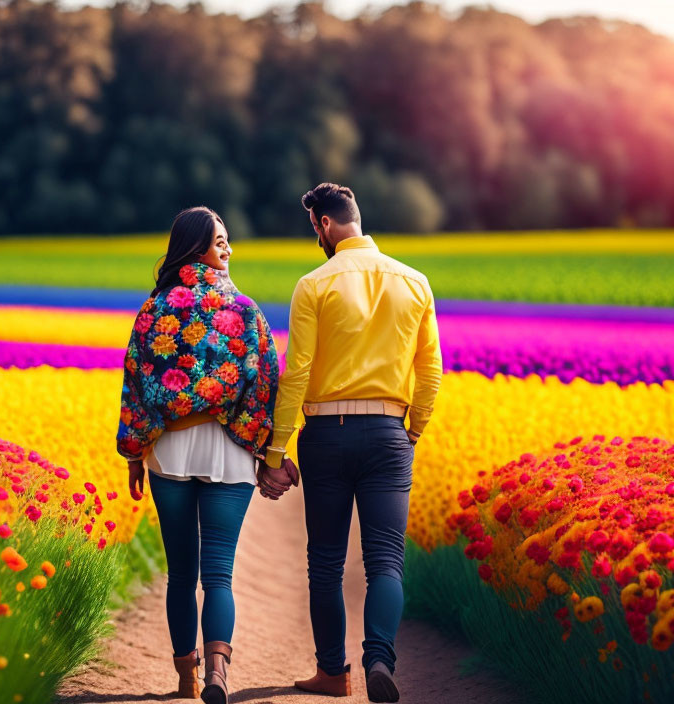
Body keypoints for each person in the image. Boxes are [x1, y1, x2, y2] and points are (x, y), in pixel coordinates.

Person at [258, 183, 443, 702]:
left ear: (323, 225)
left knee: (326, 562)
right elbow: (430, 371)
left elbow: (296, 373)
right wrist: (413, 429)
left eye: (313, 227)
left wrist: (275, 453)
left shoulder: (314, 283)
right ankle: (380, 659)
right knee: (386, 558)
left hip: (327, 435)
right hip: (389, 432)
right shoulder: (415, 282)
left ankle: (332, 674)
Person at [117, 206, 290, 704]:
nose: (228, 249)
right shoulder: (246, 311)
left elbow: (136, 383)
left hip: (169, 453)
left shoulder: (154, 310)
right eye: (220, 241)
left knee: (181, 574)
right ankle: (218, 672)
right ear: (195, 248)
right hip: (230, 457)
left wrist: (133, 452)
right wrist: (267, 453)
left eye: (228, 240)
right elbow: (264, 387)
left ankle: (186, 678)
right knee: (219, 574)